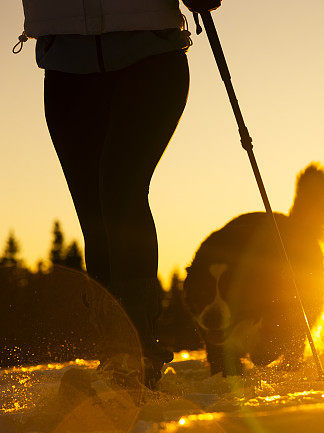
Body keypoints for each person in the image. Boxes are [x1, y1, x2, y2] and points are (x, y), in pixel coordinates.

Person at [20, 0, 222, 387]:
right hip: (65, 62)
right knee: (94, 211)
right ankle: (117, 351)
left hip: (150, 51)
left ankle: (138, 352)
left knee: (119, 190)